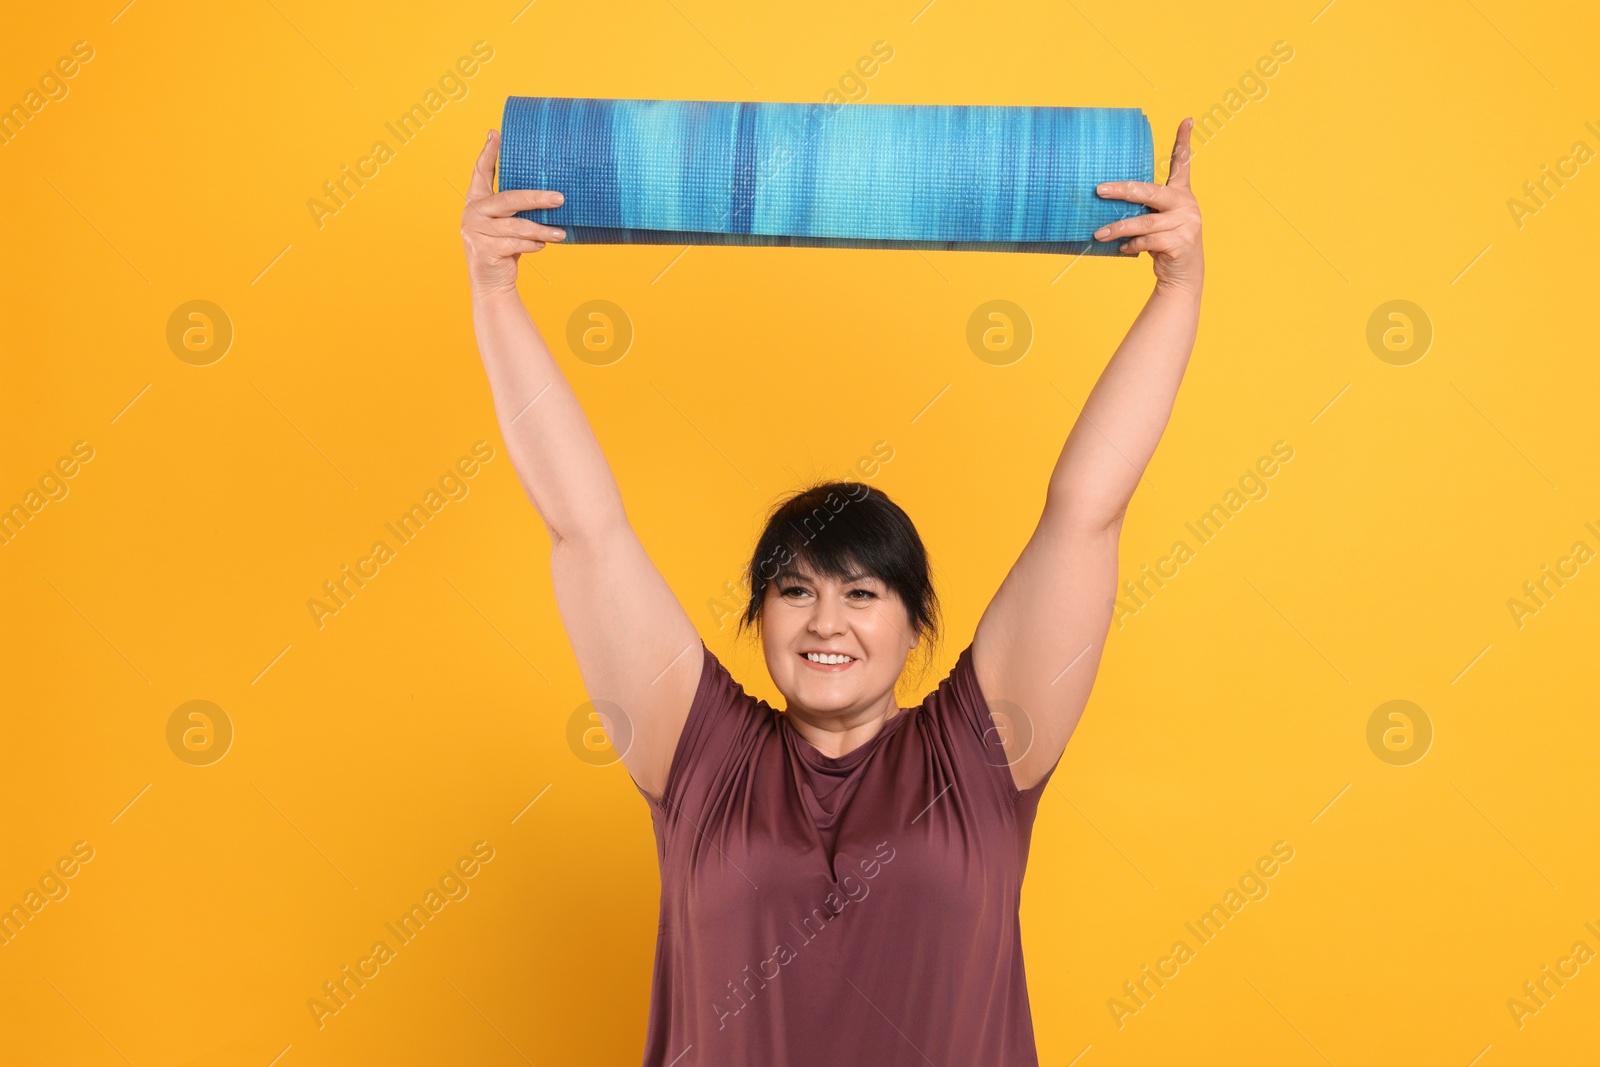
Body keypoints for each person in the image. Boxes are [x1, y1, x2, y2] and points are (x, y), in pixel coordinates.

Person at [461, 116, 1204, 1066]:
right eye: (794, 591)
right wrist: (493, 290)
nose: (825, 621)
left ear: (911, 622)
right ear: (760, 615)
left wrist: (1178, 288)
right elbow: (584, 525)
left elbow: (1087, 510)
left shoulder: (980, 756)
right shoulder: (702, 758)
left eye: (862, 593)